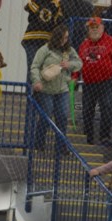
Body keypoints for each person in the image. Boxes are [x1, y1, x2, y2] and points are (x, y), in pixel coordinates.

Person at [29, 24, 81, 154]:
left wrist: (69, 64)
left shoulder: (69, 51)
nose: (65, 40)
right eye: (63, 38)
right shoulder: (45, 49)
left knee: (62, 116)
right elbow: (35, 66)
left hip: (62, 89)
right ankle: (39, 144)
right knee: (46, 115)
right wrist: (36, 81)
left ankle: (61, 146)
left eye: (67, 38)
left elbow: (79, 63)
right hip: (46, 90)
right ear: (57, 37)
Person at [78, 16, 112, 146]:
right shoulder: (84, 44)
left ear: (102, 27)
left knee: (106, 108)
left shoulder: (110, 41)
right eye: (91, 27)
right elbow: (78, 63)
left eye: (96, 26)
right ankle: (88, 137)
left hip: (106, 82)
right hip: (89, 83)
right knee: (87, 110)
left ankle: (104, 137)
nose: (94, 29)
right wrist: (74, 77)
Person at [22, 0, 65, 79]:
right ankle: (30, 90)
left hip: (47, 42)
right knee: (33, 67)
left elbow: (59, 21)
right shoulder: (36, 1)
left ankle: (40, 90)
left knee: (45, 69)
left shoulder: (57, 4)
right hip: (32, 40)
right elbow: (30, 7)